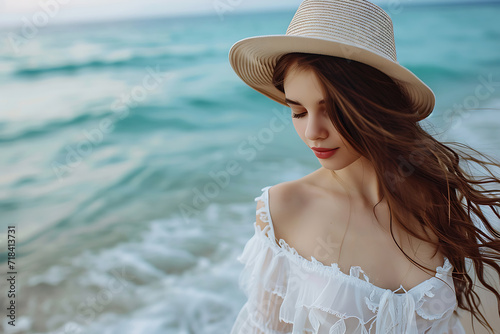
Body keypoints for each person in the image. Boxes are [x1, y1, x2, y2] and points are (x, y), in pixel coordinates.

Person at [228, 0, 500, 333]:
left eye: (332, 109)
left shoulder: (434, 195)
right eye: (298, 112)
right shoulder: (284, 209)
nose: (313, 132)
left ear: (375, 104)